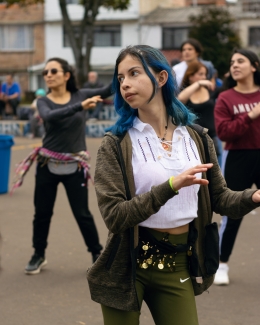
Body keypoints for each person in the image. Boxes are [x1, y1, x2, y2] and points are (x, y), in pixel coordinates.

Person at [86, 45, 260, 325]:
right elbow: (115, 216)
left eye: (134, 73)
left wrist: (254, 197)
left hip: (178, 261)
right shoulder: (116, 144)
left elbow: (219, 198)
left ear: (162, 78)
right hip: (127, 263)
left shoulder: (197, 138)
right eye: (120, 78)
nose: (125, 84)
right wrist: (170, 186)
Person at [12, 57, 112, 275]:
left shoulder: (81, 94)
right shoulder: (43, 101)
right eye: (46, 72)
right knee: (42, 213)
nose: (48, 75)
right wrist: (80, 106)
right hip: (47, 165)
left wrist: (125, 63)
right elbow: (50, 117)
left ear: (66, 75)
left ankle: (97, 254)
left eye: (53, 71)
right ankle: (39, 254)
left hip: (74, 167)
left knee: (82, 213)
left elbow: (108, 89)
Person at [214, 49, 260, 285]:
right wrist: (251, 116)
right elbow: (224, 132)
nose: (235, 65)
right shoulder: (226, 98)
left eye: (240, 61)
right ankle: (222, 264)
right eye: (232, 62)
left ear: (254, 66)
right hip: (238, 157)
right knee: (233, 212)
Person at [178, 61, 222, 165]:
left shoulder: (211, 90)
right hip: (192, 138)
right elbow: (180, 99)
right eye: (200, 74)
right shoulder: (186, 93)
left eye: (205, 74)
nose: (204, 77)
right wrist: (198, 84)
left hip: (212, 138)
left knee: (216, 175)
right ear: (190, 76)